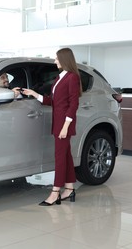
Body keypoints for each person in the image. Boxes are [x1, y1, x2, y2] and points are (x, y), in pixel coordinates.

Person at [21, 48, 82, 206]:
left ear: (64, 59)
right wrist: (34, 94)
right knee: (66, 156)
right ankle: (69, 188)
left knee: (60, 157)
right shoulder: (60, 77)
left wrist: (66, 126)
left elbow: (73, 104)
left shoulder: (72, 77)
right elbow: (53, 102)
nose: (55, 61)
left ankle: (55, 192)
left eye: (57, 58)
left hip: (64, 124)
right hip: (59, 123)